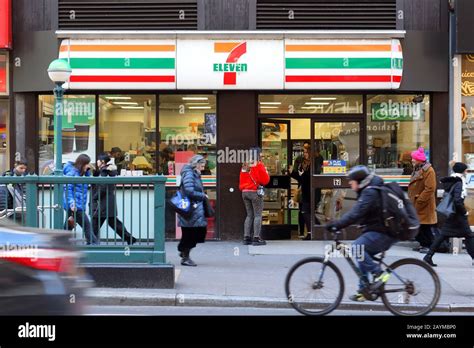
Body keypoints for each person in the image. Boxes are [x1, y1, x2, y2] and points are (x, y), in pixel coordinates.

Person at [326, 165, 397, 302]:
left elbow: (356, 213)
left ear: (359, 181)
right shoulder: (367, 190)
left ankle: (379, 274)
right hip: (380, 230)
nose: (350, 184)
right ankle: (364, 291)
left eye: (352, 181)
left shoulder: (370, 192)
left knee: (357, 248)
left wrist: (337, 224)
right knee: (361, 252)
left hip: (386, 233)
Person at [424, 162, 474, 267]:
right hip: (458, 215)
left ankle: (428, 256)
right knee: (469, 236)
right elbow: (457, 200)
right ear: (462, 171)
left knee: (443, 235)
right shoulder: (459, 182)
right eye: (465, 170)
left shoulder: (452, 181)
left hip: (452, 214)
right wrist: (464, 211)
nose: (466, 172)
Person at [91, 153, 137, 245]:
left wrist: (95, 197)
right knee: (113, 222)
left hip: (103, 201)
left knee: (95, 222)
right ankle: (129, 238)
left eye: (98, 160)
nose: (97, 162)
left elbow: (103, 186)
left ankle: (92, 242)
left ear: (102, 162)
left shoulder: (104, 171)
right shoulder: (107, 171)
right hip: (109, 200)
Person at [177, 155, 208, 266]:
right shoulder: (189, 173)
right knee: (191, 233)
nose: (203, 168)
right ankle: (185, 257)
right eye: (202, 166)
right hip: (190, 208)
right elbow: (189, 190)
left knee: (194, 232)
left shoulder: (193, 173)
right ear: (196, 164)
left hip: (193, 208)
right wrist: (202, 196)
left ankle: (183, 250)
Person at [408, 147, 437, 253]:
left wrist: (420, 200)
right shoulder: (417, 169)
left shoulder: (429, 170)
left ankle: (428, 246)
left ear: (419, 160)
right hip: (417, 202)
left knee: (424, 227)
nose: (412, 160)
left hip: (424, 204)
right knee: (420, 226)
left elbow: (430, 188)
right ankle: (423, 244)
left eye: (413, 159)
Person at [63, 154, 98, 245]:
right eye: (87, 164)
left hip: (77, 204)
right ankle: (93, 243)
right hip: (75, 205)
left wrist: (87, 171)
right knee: (86, 225)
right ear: (82, 164)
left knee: (68, 226)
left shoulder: (80, 173)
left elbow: (89, 180)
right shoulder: (72, 173)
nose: (88, 165)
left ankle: (60, 242)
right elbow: (67, 189)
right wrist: (71, 203)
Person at [239, 147, 270, 246]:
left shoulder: (244, 165)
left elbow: (241, 180)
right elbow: (265, 180)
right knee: (257, 215)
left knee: (249, 215)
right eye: (260, 153)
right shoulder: (259, 165)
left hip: (244, 192)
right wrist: (266, 172)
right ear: (257, 154)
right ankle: (256, 238)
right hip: (254, 192)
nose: (261, 155)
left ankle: (246, 237)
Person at [290, 146, 312, 240]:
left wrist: (302, 174)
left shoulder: (312, 164)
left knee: (306, 212)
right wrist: (292, 173)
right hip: (305, 190)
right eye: (304, 152)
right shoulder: (303, 164)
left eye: (306, 152)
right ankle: (309, 232)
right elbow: (301, 179)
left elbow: (308, 178)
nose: (304, 154)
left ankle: (312, 232)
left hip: (311, 191)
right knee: (304, 211)